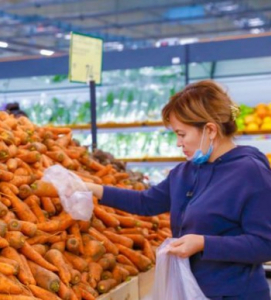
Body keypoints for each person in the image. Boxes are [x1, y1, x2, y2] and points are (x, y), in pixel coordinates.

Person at [85, 80, 271, 300]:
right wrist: (91, 189)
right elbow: (146, 202)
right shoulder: (185, 172)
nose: (178, 143)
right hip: (191, 291)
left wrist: (203, 243)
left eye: (182, 134)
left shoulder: (250, 172)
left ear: (210, 130)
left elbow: (265, 244)